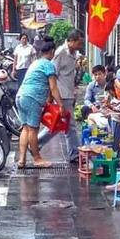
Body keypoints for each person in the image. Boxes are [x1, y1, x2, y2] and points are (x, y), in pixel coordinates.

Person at [37, 29, 84, 162]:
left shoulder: (73, 53)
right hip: (62, 95)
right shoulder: (60, 53)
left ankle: (36, 143)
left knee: (60, 125)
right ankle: (74, 154)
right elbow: (52, 74)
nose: (80, 47)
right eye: (79, 43)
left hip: (68, 93)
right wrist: (52, 96)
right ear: (71, 41)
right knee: (69, 126)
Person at [15, 36, 63, 168]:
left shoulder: (35, 63)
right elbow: (53, 88)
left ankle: (22, 160)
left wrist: (48, 100)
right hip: (32, 98)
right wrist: (61, 105)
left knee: (25, 128)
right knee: (33, 130)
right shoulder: (49, 65)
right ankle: (37, 159)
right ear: (52, 51)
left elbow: (44, 86)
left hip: (20, 96)